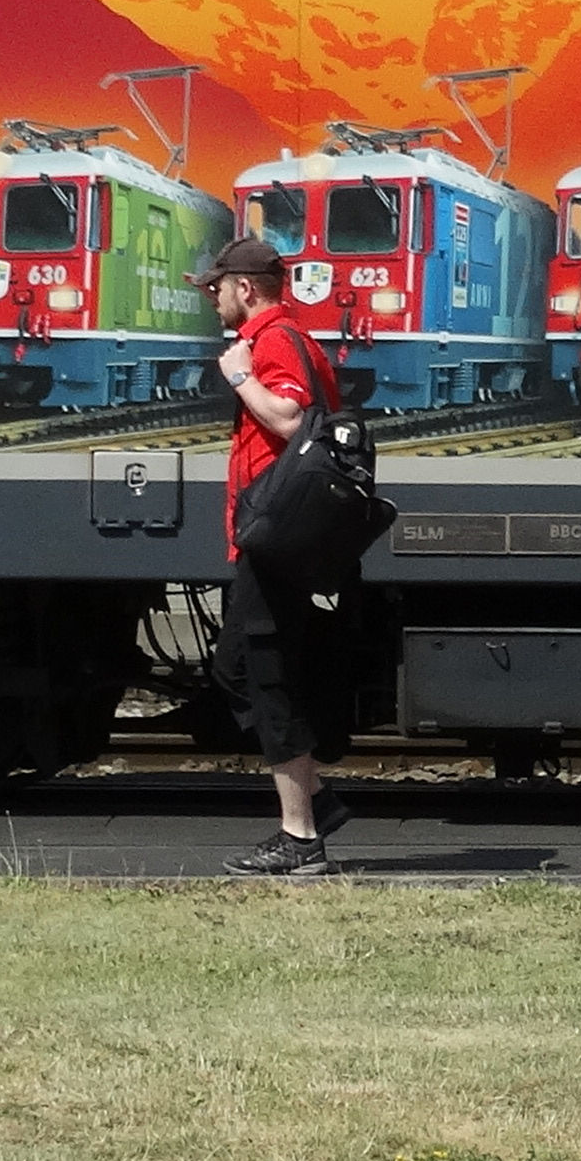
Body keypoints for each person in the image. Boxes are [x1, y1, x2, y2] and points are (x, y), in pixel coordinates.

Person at [201, 230, 354, 879]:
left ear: (245, 288)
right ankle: (318, 801)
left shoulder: (275, 341)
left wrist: (240, 378)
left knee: (265, 677)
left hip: (278, 537)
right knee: (235, 670)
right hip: (268, 536)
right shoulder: (277, 338)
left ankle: (301, 838)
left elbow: (290, 419)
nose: (211, 299)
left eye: (216, 288)